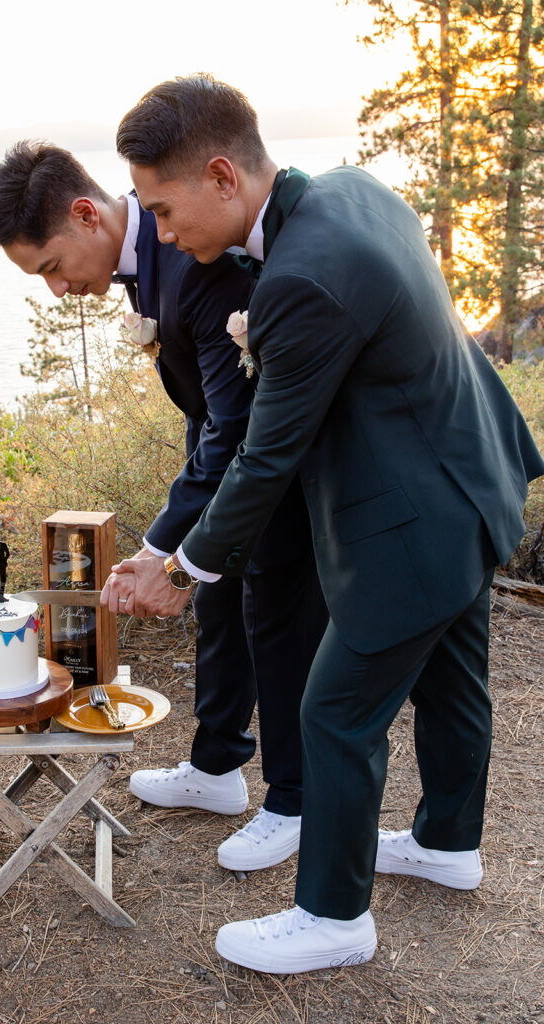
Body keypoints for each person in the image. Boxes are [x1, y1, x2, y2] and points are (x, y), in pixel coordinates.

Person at [109, 73, 544, 975]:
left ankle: (333, 916)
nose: (159, 233)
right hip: (478, 474)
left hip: (419, 518)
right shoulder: (355, 190)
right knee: (455, 682)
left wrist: (178, 569)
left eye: (160, 207)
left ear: (222, 176)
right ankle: (448, 844)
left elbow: (265, 457)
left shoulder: (301, 278)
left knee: (335, 710)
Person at [0, 143, 328, 872]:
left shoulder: (197, 257)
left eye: (50, 266)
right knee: (222, 609)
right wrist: (178, 541)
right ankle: (217, 766)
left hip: (279, 476)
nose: (56, 290)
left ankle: (294, 801)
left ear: (86, 215)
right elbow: (209, 418)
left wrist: (163, 541)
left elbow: (237, 427)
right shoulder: (146, 264)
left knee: (279, 626)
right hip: (226, 463)